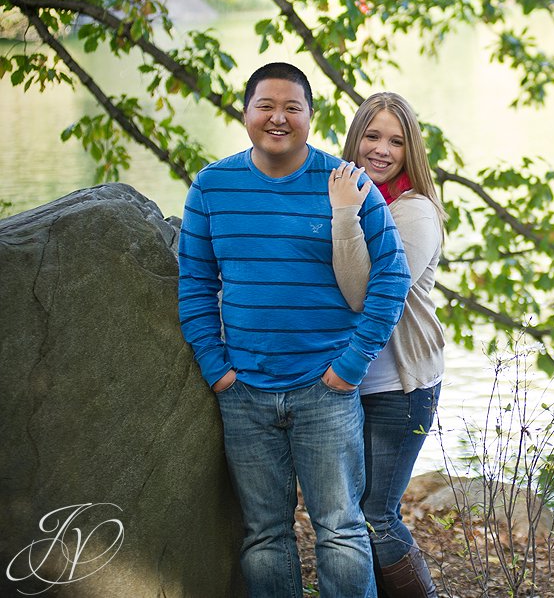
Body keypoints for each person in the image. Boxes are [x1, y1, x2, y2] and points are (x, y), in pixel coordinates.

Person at [178, 62, 411, 598]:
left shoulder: (346, 183)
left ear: (311, 116)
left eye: (292, 108)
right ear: (245, 113)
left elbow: (392, 279)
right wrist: (218, 372)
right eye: (266, 106)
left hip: (324, 390)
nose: (278, 118)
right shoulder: (212, 187)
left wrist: (348, 368)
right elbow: (194, 286)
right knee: (264, 536)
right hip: (245, 394)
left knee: (342, 532)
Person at [328, 92, 447, 598]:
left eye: (395, 141)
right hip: (346, 383)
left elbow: (362, 295)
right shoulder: (341, 194)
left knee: (376, 516)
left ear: (409, 150)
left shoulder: (414, 213)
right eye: (372, 136)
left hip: (400, 387)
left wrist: (343, 216)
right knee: (350, 517)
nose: (381, 149)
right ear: (355, 139)